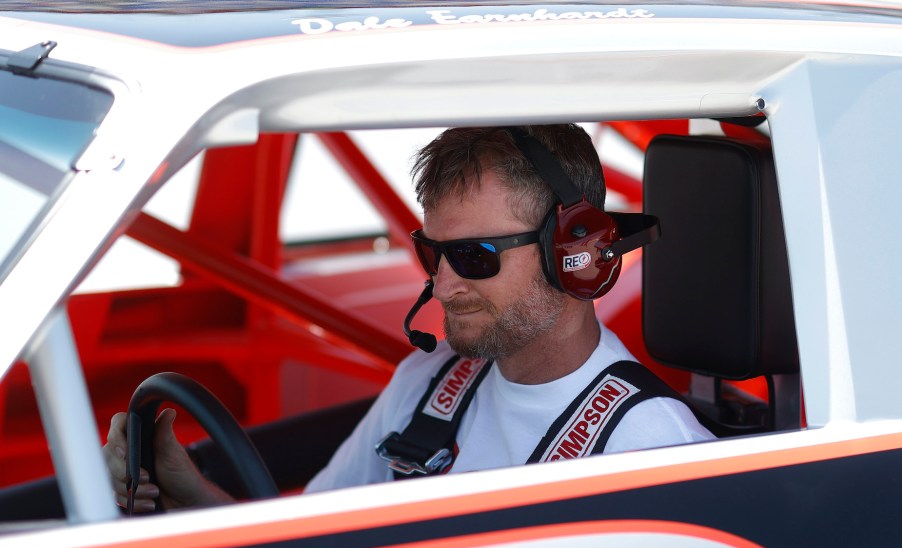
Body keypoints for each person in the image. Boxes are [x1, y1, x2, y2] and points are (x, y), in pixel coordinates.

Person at [103, 124, 714, 512]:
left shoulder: (649, 449)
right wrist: (192, 495)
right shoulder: (428, 383)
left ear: (574, 253)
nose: (442, 285)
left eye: (474, 257)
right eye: (432, 252)